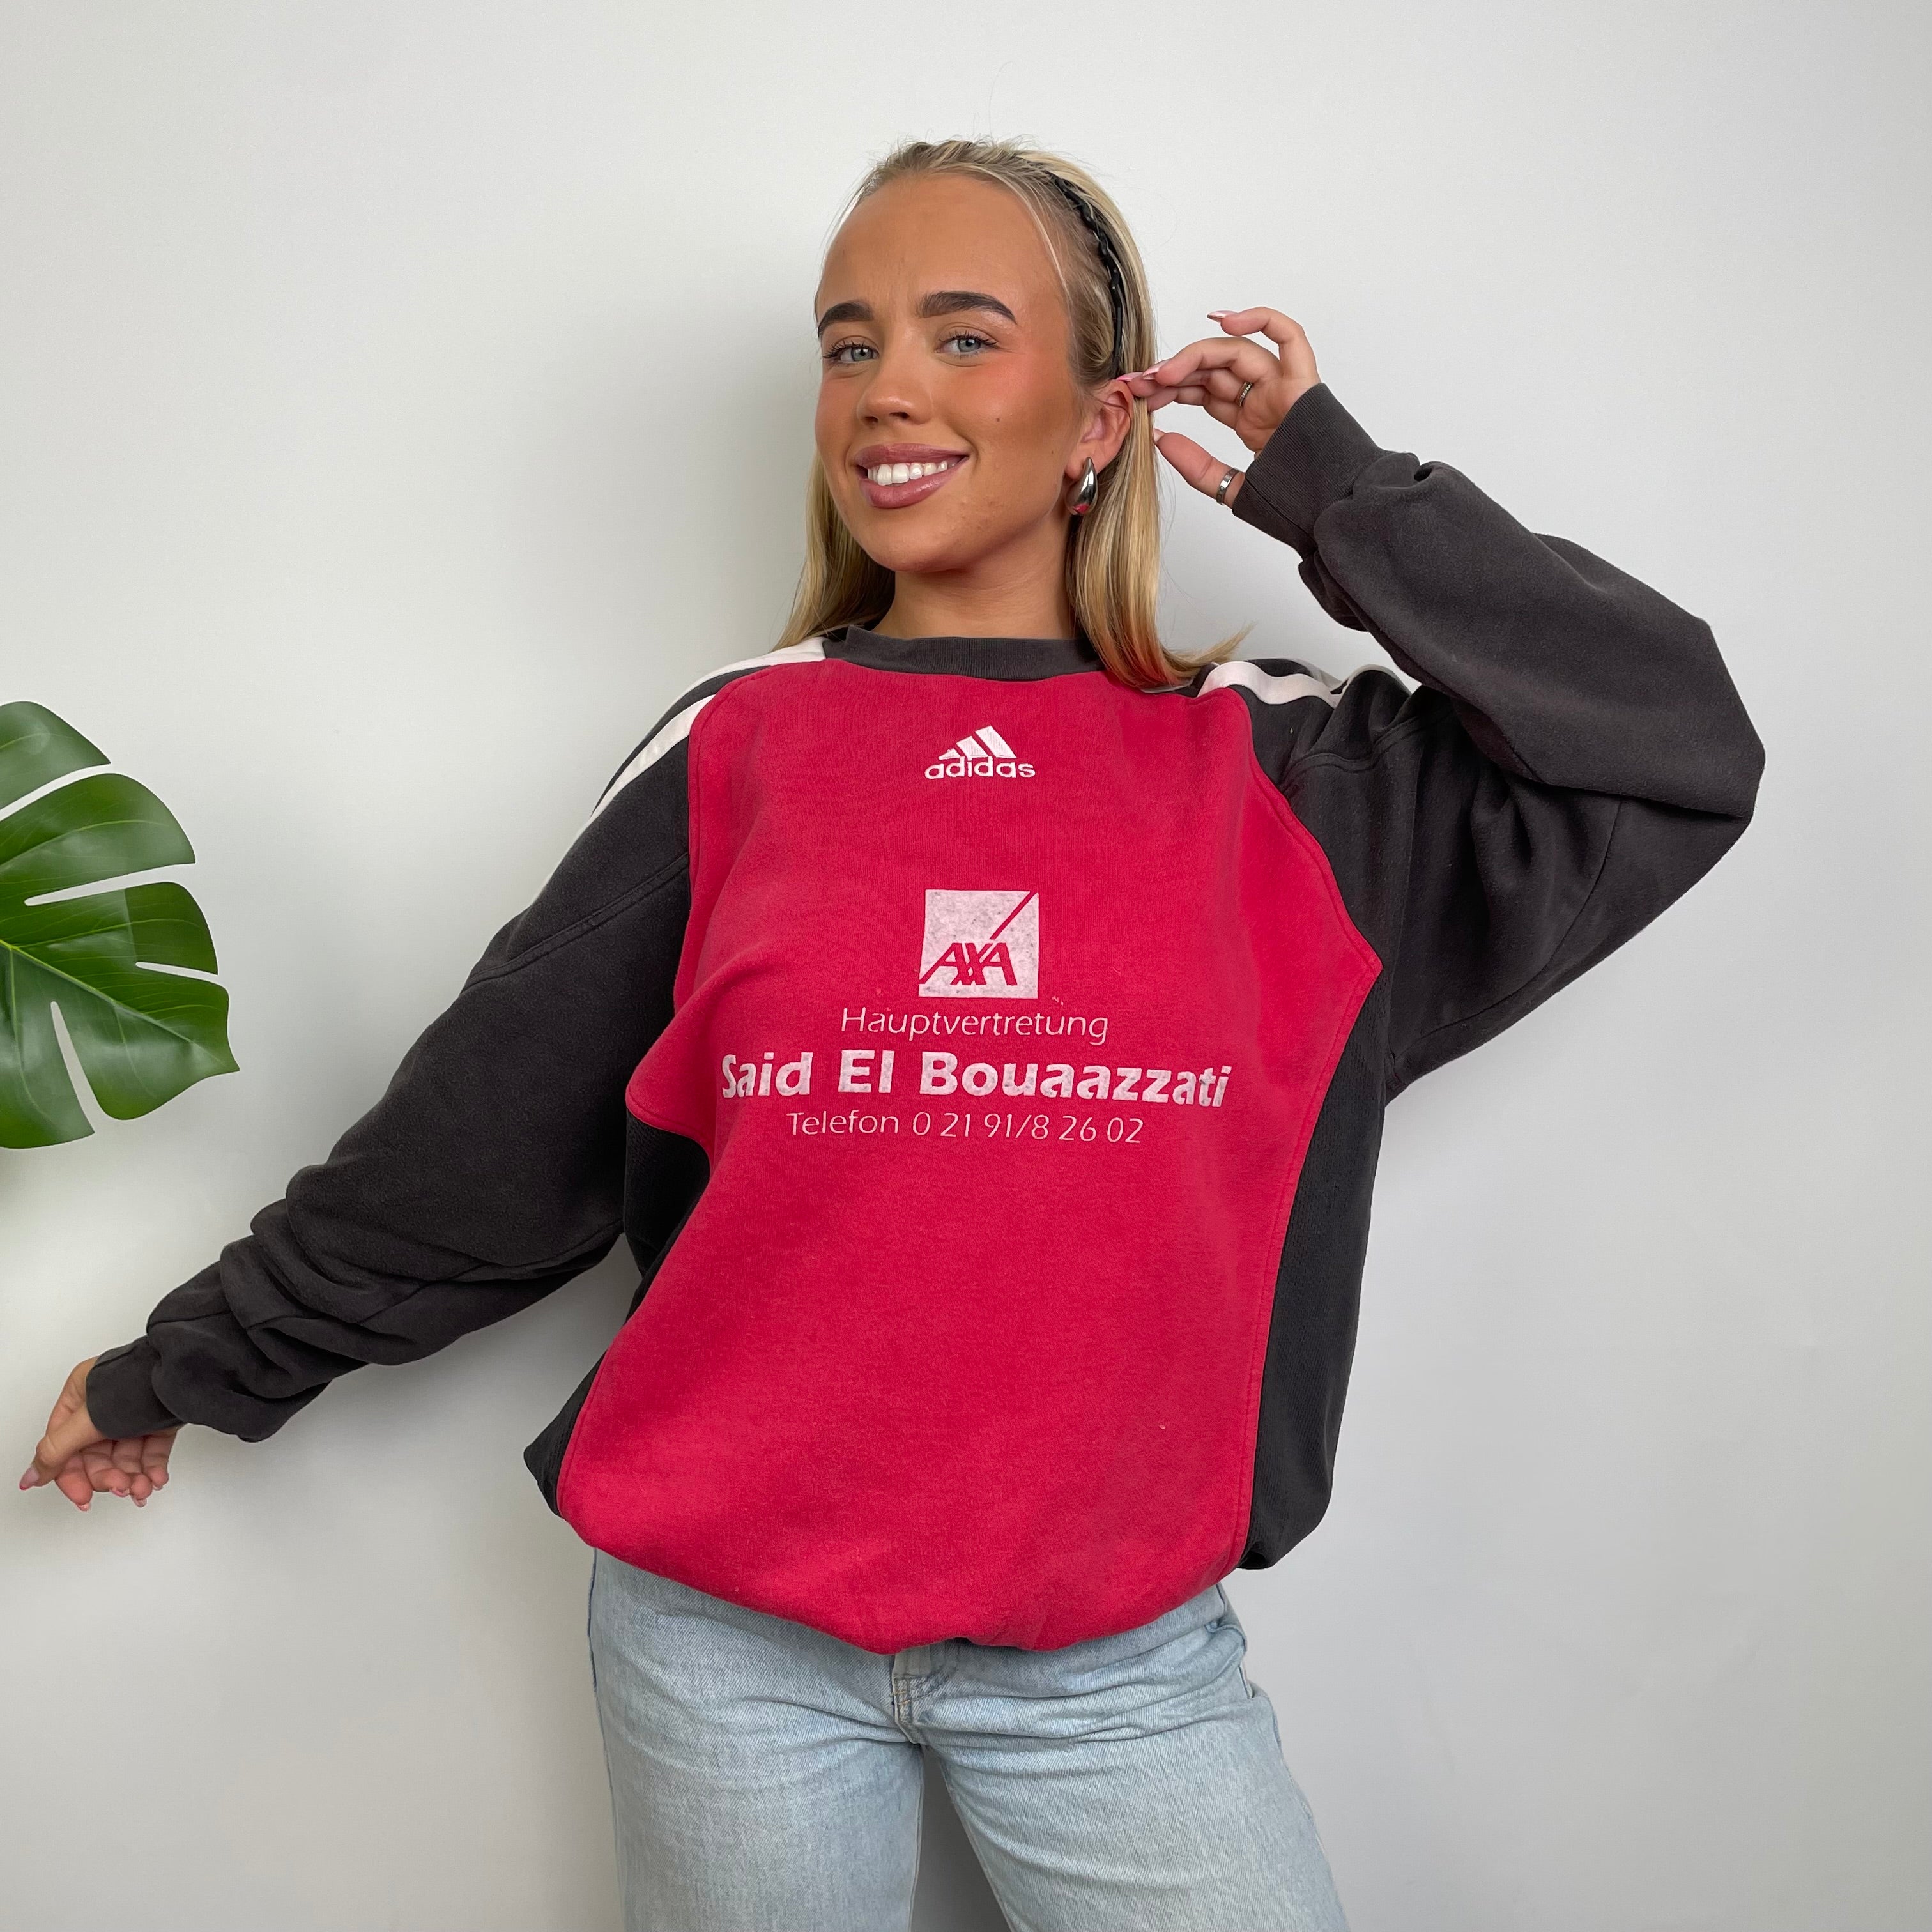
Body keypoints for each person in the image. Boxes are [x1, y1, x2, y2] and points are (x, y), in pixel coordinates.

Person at [21, 137, 1763, 1931]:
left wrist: (1339, 490)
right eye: (850, 346)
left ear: (1103, 419)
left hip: (1115, 1667)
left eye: (961, 335)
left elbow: (1674, 747)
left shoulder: (1289, 783)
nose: (888, 392)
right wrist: (183, 1369)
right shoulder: (739, 752)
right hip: (724, 1654)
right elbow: (480, 1148)